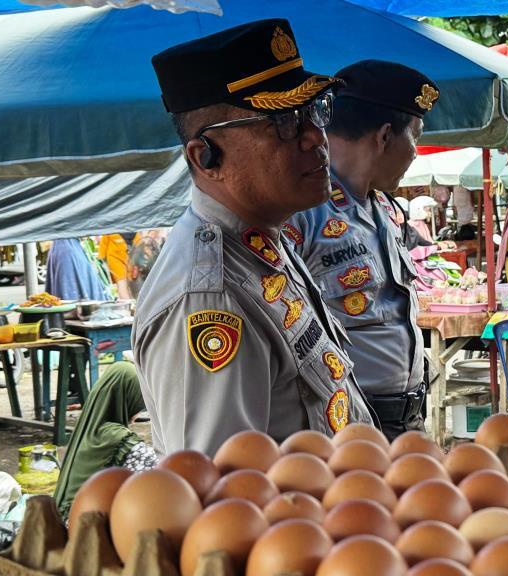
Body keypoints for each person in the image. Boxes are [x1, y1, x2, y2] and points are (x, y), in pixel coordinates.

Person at [134, 19, 375, 456]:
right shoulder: (210, 296)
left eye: (315, 111)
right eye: (284, 122)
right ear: (206, 157)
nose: (315, 138)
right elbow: (220, 500)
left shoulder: (265, 245)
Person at [287, 60, 436, 440]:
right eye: (415, 136)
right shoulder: (302, 211)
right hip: (348, 426)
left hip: (407, 419)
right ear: (385, 136)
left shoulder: (382, 207)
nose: (416, 152)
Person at [53, 362, 155, 520]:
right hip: (83, 528)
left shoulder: (90, 427)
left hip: (66, 519)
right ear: (126, 398)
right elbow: (157, 472)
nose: (139, 412)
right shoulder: (115, 437)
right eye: (140, 403)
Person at [98, 234, 133, 299]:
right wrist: (101, 258)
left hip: (129, 259)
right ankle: (126, 301)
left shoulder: (133, 232)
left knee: (129, 281)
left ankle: (127, 300)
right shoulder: (111, 231)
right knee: (121, 280)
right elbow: (103, 244)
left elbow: (139, 242)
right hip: (115, 259)